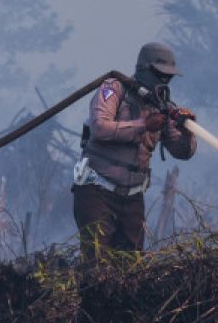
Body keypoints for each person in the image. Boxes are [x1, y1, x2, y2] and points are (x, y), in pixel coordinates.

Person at [72, 42, 197, 265]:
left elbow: (182, 152)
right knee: (96, 264)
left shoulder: (164, 106)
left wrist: (187, 131)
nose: (164, 82)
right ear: (144, 70)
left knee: (130, 268)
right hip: (97, 190)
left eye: (168, 78)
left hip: (132, 198)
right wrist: (143, 125)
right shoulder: (113, 89)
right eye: (160, 75)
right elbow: (100, 127)